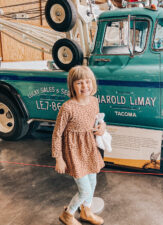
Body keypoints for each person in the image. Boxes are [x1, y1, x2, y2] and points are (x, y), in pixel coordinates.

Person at [52, 66, 105, 225]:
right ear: (72, 86)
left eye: (87, 82)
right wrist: (59, 158)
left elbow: (98, 120)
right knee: (85, 190)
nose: (85, 86)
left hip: (89, 149)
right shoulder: (67, 107)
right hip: (74, 153)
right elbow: (57, 134)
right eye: (79, 83)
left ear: (93, 83)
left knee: (93, 183)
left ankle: (86, 211)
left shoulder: (94, 101)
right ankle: (68, 214)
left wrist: (102, 127)